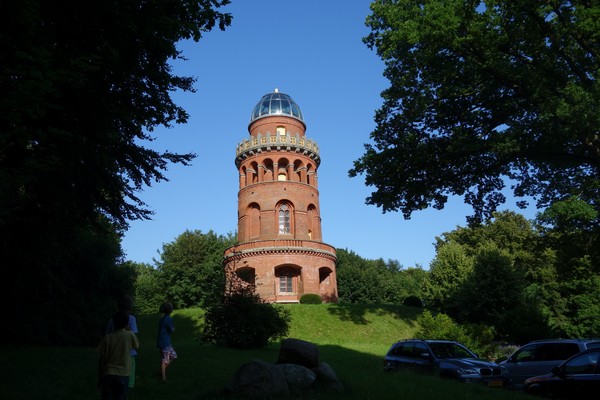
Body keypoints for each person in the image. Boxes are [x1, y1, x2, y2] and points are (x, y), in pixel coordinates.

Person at [98, 310, 140, 400]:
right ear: (127, 322)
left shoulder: (107, 338)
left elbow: (102, 358)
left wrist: (100, 376)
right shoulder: (129, 335)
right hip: (123, 374)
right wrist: (128, 328)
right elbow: (136, 346)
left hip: (108, 373)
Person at [106, 295, 139, 389]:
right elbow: (133, 337)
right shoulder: (132, 319)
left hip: (113, 353)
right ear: (130, 307)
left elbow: (107, 334)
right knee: (128, 375)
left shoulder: (112, 319)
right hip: (129, 353)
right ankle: (128, 385)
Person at [157, 302, 177, 382]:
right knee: (165, 359)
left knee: (173, 356)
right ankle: (163, 377)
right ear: (171, 310)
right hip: (165, 342)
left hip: (164, 341)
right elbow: (171, 330)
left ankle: (161, 371)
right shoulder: (169, 319)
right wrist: (174, 329)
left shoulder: (161, 319)